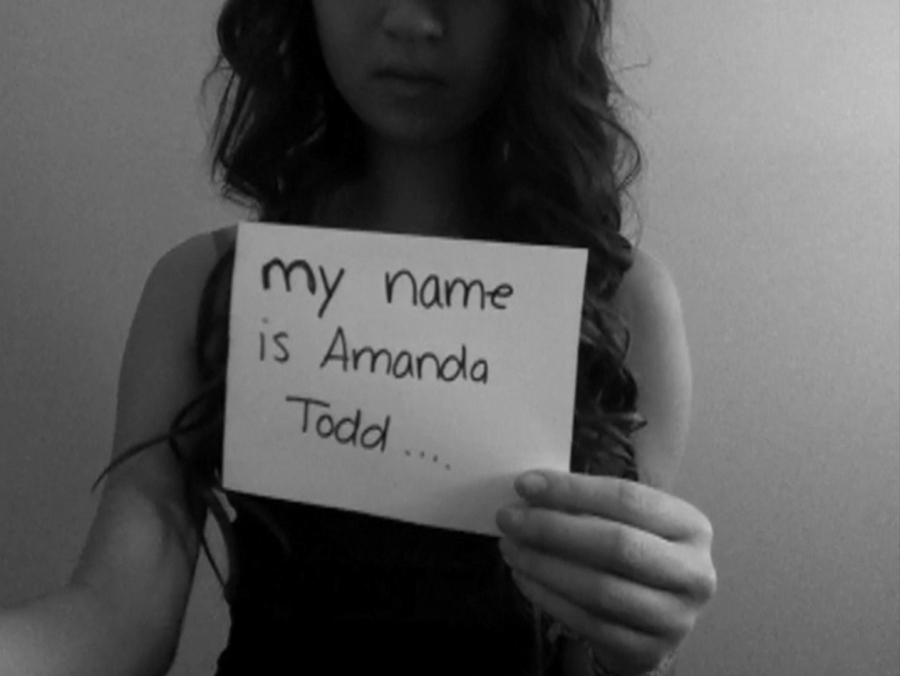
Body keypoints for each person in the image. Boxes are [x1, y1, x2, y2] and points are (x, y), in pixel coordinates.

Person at [0, 1, 716, 675]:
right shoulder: (203, 288)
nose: (411, 19)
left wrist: (640, 641)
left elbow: (601, 642)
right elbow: (119, 616)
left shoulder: (621, 304)